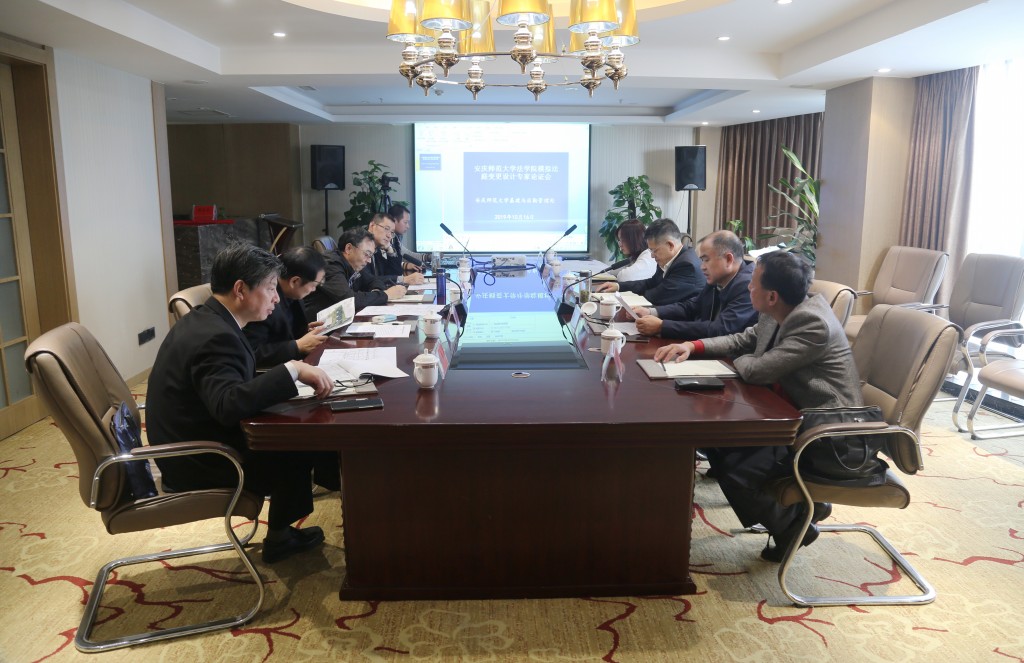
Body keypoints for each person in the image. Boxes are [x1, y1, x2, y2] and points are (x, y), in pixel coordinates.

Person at [653, 250, 861, 562]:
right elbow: (743, 340)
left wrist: (738, 360)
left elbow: (758, 370)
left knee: (738, 461)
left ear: (772, 295)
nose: (748, 286)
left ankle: (793, 527)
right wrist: (692, 346)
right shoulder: (780, 308)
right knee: (718, 443)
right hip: (787, 409)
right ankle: (801, 508)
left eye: (753, 284)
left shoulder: (812, 322)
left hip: (828, 431)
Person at [146, 243, 339, 564]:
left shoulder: (210, 320)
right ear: (240, 289)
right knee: (299, 442)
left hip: (195, 436)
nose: (276, 298)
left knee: (303, 424)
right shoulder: (216, 336)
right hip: (201, 459)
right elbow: (227, 405)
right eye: (270, 288)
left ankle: (292, 522)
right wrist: (292, 370)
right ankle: (281, 537)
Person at [633, 230, 757, 339]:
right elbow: (692, 306)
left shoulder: (749, 286)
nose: (702, 267)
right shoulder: (717, 279)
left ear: (729, 259)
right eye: (701, 260)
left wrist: (662, 326)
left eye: (706, 260)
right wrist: (651, 312)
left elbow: (721, 329)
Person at [243, 246, 329, 368]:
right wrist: (297, 346)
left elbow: (283, 332)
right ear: (295, 281)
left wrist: (304, 331)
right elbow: (251, 352)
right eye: (315, 284)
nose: (314, 289)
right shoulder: (264, 301)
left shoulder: (293, 294)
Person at [593, 218, 705, 306]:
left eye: (654, 250)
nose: (651, 255)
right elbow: (649, 283)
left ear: (670, 245)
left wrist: (619, 298)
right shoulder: (669, 259)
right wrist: (618, 286)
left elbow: (659, 296)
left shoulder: (687, 265)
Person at [303, 227, 406, 317]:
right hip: (317, 327)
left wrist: (376, 292)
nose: (369, 261)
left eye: (371, 255)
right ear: (349, 249)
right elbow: (349, 300)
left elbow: (373, 280)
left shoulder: (354, 264)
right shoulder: (331, 265)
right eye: (367, 254)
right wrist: (386, 295)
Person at [367, 213, 424, 286]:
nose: (389, 236)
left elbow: (394, 274)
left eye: (391, 232)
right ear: (372, 226)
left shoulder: (378, 250)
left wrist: (390, 251)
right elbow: (368, 280)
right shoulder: (360, 248)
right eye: (386, 229)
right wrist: (404, 279)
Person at [388, 203, 424, 274]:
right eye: (405, 222)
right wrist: (404, 265)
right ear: (394, 221)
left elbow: (405, 254)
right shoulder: (385, 239)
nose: (408, 226)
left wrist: (427, 257)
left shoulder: (395, 238)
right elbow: (384, 263)